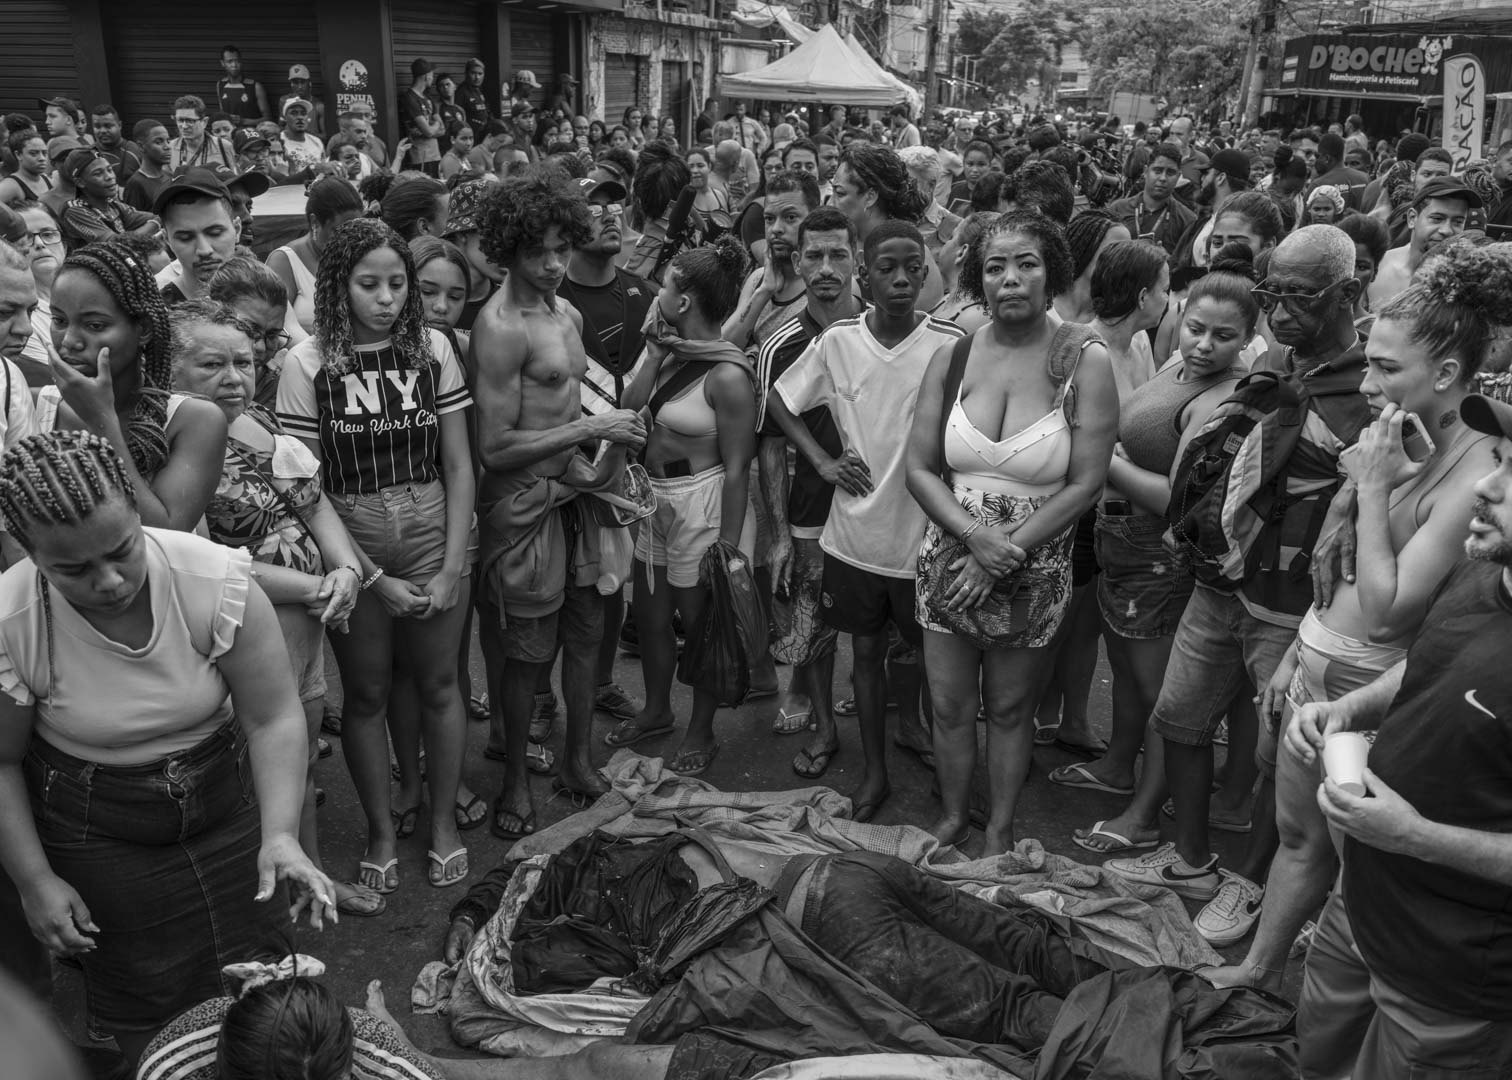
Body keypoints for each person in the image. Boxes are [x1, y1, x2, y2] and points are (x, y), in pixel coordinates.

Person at [1201, 238, 1501, 974]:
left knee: (1362, 872)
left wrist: (1366, 488)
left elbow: (1393, 612)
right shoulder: (1398, 430)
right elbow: (1340, 581)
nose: (1366, 382)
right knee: (1300, 839)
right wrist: (1301, 652)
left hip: (1376, 695)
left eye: (1387, 369)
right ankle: (1256, 971)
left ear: (1450, 374)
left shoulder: (1479, 475)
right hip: (1316, 672)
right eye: (1369, 359)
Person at [0, 430, 335, 1063]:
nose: (108, 581)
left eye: (122, 550)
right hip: (99, 834)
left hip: (227, 806)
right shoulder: (12, 620)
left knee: (265, 990)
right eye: (72, 569)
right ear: (29, 555)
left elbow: (272, 719)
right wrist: (34, 879)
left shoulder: (215, 580)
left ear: (134, 508)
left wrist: (280, 834)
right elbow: (1, 761)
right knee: (146, 1009)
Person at [1103, 225, 1371, 904]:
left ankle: (1249, 886)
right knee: (1178, 720)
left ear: (1348, 293)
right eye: (1271, 292)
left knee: (1285, 759)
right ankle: (1192, 857)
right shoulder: (1275, 362)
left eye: (1299, 297)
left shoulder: (1370, 389)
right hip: (1221, 585)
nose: (1280, 311)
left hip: (1298, 611)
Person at [1282, 386, 1512, 1076]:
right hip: (1361, 910)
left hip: (1451, 972)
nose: (1486, 486)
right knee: (1317, 1057)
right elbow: (1430, 658)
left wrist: (1414, 836)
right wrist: (1352, 710)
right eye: (1499, 458)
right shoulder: (1486, 570)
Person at [905, 212, 1116, 854]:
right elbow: (918, 468)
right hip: (949, 558)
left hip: (1035, 566)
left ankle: (999, 828)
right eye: (995, 267)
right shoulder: (955, 352)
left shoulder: (1085, 360)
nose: (1011, 278)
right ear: (978, 278)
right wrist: (974, 537)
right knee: (947, 707)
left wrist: (1005, 550)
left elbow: (1085, 485)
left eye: (1026, 263)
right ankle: (951, 816)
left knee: (1008, 709)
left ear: (1050, 270)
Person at [276, 218, 476, 894]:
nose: (386, 298)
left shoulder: (433, 351)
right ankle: (382, 829)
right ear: (339, 286)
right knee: (364, 692)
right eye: (369, 284)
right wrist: (372, 578)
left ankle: (443, 822)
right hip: (349, 529)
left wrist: (452, 565)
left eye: (398, 283)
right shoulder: (305, 364)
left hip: (430, 519)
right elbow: (307, 489)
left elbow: (458, 462)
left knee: (440, 683)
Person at [168, 301, 382, 921]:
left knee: (301, 752)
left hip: (304, 627)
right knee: (242, 767)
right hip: (243, 632)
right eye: (212, 364)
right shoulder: (174, 448)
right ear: (170, 366)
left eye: (245, 361)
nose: (235, 376)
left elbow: (314, 506)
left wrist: (345, 568)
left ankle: (307, 870)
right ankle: (253, 901)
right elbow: (198, 556)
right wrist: (313, 588)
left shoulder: (256, 420)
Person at [770, 220, 967, 823]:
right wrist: (823, 459)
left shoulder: (950, 343)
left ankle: (949, 776)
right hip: (854, 539)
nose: (903, 279)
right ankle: (874, 772)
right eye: (888, 268)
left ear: (929, 269)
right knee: (867, 658)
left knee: (939, 668)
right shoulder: (838, 341)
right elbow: (779, 398)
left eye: (915, 266)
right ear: (865, 270)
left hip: (927, 539)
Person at [470, 172, 643, 838]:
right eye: (537, 251)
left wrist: (606, 469)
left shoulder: (566, 315)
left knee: (588, 636)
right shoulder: (499, 326)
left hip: (577, 502)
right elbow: (495, 446)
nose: (551, 264)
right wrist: (594, 432)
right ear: (508, 250)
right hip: (523, 510)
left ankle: (575, 759)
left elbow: (578, 411)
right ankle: (515, 780)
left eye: (560, 250)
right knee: (525, 656)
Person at [1066, 250, 1256, 854]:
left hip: (1157, 554)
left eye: (1224, 337)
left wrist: (1102, 460)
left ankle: (1143, 814)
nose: (1204, 345)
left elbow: (1178, 497)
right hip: (1119, 543)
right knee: (1123, 667)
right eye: (1197, 328)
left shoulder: (1226, 398)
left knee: (1160, 693)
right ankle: (1118, 766)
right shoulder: (1176, 364)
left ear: (1248, 339)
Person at [607, 237, 756, 778]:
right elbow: (627, 412)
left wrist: (730, 549)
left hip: (704, 504)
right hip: (655, 500)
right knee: (649, 617)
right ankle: (655, 710)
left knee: (701, 626)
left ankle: (701, 728)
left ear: (686, 299)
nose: (658, 291)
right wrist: (651, 353)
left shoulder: (727, 374)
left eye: (667, 284)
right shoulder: (671, 353)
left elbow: (739, 467)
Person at [756, 206, 861, 774]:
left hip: (881, 514)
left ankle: (906, 727)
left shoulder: (885, 327)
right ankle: (825, 730)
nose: (826, 266)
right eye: (814, 255)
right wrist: (774, 535)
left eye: (837, 254)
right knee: (813, 629)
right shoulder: (779, 345)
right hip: (810, 519)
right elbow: (771, 444)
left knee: (882, 636)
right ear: (796, 262)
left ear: (855, 260)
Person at [46, 239, 229, 531]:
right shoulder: (37, 406)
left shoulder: (195, 420)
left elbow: (164, 534)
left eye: (94, 325)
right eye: (59, 320)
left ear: (142, 329)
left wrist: (101, 421)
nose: (69, 341)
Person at [832, 142, 945, 309]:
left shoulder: (914, 252)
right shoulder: (836, 242)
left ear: (870, 197)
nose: (831, 202)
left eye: (840, 193)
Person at [723, 170, 818, 354]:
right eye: (769, 219)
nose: (776, 229)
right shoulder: (758, 279)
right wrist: (764, 292)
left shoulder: (824, 282)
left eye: (790, 217)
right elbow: (723, 348)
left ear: (814, 216)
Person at [1367, 176, 1480, 309]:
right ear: (1412, 218)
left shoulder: (1467, 283)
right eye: (1437, 218)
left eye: (1458, 222)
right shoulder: (1376, 266)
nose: (1447, 230)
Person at [152, 168, 239, 303]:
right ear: (167, 241)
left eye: (215, 233)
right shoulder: (157, 313)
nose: (204, 250)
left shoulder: (266, 292)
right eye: (186, 238)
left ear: (237, 229)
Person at [56, 149, 159, 253]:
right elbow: (116, 245)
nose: (109, 177)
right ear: (80, 182)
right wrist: (157, 223)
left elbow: (154, 216)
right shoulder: (74, 210)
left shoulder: (113, 206)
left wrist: (159, 220)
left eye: (109, 170)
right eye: (98, 174)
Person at [1105, 143, 1195, 259]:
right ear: (1146, 171)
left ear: (1178, 176)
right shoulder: (1118, 209)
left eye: (1170, 173)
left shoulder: (1187, 220)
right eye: (1157, 171)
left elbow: (1184, 266)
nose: (1163, 178)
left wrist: (1167, 260)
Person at [400, 59, 445, 177]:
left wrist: (428, 130)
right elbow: (429, 131)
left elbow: (443, 129)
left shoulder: (428, 98)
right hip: (420, 157)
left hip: (435, 154)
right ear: (426, 76)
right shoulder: (409, 98)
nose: (433, 78)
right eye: (432, 75)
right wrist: (434, 125)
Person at [169, 96, 236, 172]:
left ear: (204, 122)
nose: (184, 126)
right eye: (180, 120)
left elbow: (235, 179)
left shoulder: (223, 147)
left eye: (190, 121)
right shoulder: (169, 149)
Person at [121, 121, 172, 212]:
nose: (167, 146)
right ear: (141, 146)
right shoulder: (135, 184)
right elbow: (133, 221)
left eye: (168, 141)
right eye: (158, 142)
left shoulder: (169, 176)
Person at [215, 45, 272, 127]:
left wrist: (244, 121)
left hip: (251, 136)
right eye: (229, 61)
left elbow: (268, 119)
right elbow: (222, 114)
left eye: (237, 61)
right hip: (229, 137)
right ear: (222, 63)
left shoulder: (255, 86)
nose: (234, 65)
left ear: (241, 62)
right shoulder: (220, 85)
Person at [0, 133, 52, 209]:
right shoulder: (10, 186)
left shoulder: (48, 180)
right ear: (18, 155)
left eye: (44, 153)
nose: (42, 158)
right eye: (33, 153)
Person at [279, 65, 328, 137]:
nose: (299, 86)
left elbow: (324, 136)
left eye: (303, 82)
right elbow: (281, 127)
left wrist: (302, 132)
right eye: (296, 82)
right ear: (291, 84)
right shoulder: (284, 101)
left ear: (309, 83)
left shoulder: (318, 106)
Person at [457, 58, 493, 130]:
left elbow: (487, 113)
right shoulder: (461, 92)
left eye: (480, 74)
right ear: (466, 73)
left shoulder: (478, 91)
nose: (477, 77)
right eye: (473, 73)